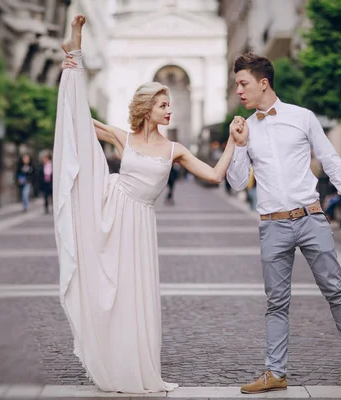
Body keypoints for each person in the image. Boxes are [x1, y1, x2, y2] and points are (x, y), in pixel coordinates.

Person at [55, 15, 236, 394]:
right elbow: (81, 118)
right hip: (111, 209)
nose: (169, 110)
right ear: (147, 109)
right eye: (163, 104)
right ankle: (113, 359)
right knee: (110, 291)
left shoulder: (176, 150)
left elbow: (216, 175)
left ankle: (136, 367)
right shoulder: (125, 138)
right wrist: (75, 62)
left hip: (140, 222)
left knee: (135, 295)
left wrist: (234, 142)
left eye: (170, 104)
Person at [226, 53, 341, 395]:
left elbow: (331, 160)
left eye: (243, 84)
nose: (239, 92)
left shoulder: (302, 117)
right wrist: (239, 145)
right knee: (276, 302)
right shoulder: (246, 128)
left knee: (336, 291)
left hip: (310, 218)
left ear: (263, 83)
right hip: (272, 225)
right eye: (236, 86)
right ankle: (275, 373)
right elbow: (234, 182)